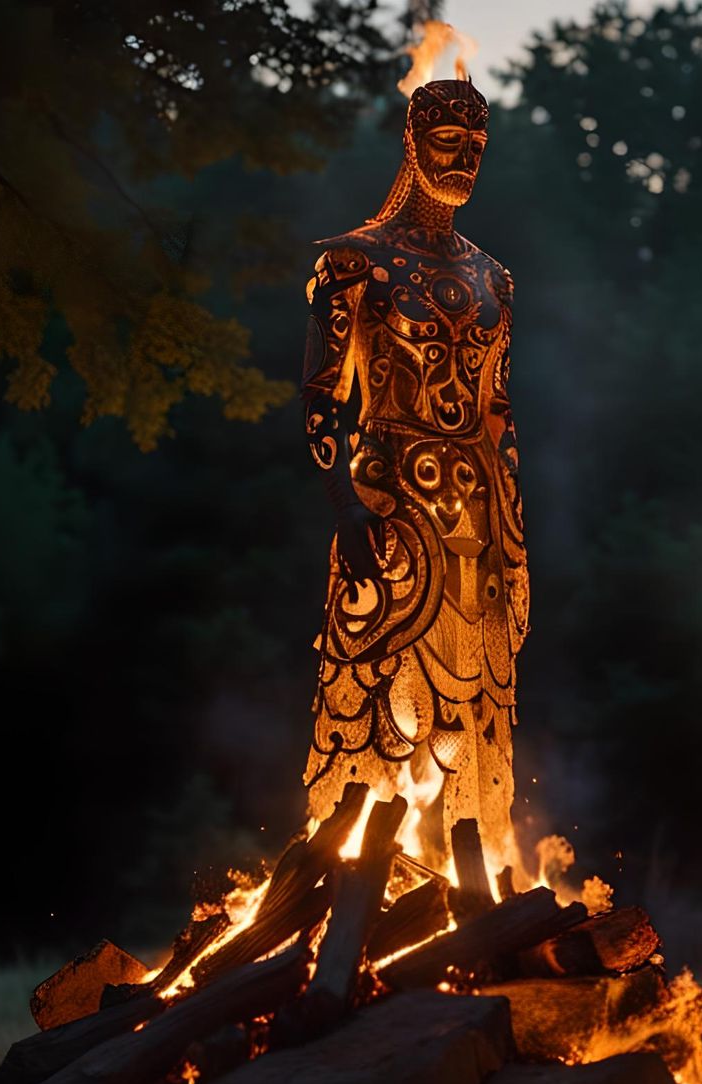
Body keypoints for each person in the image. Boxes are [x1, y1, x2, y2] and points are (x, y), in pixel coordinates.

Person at [298, 76, 527, 872]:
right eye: (446, 140)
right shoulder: (353, 263)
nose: (464, 156)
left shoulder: (494, 278)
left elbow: (498, 417)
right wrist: (344, 505)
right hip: (389, 498)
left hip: (479, 521)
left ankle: (469, 877)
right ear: (411, 140)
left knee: (477, 702)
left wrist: (515, 540)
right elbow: (323, 398)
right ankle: (360, 877)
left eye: (477, 145)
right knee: (376, 687)